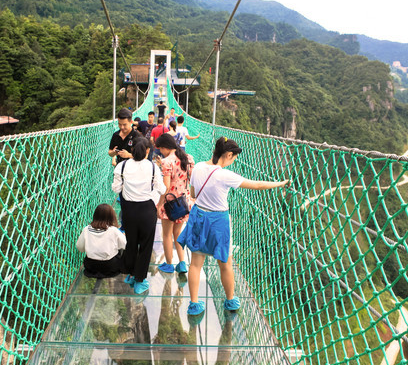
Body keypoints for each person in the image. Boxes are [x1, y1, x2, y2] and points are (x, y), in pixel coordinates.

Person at [178, 137, 291, 316]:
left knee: (196, 264)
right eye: (234, 157)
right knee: (225, 263)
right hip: (218, 221)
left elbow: (192, 193)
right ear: (228, 154)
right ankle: (230, 300)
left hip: (198, 215)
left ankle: (194, 304)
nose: (234, 161)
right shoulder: (225, 175)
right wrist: (280, 183)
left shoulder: (198, 166)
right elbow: (258, 185)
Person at [112, 137, 166, 294]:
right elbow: (162, 189)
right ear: (148, 151)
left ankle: (130, 274)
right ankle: (140, 281)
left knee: (131, 243)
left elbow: (116, 189)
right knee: (145, 246)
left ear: (131, 150)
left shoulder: (121, 167)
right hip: (147, 210)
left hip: (128, 210)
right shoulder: (153, 168)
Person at [154, 134, 194, 274]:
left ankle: (169, 264)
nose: (161, 152)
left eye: (160, 149)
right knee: (177, 233)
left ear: (165, 147)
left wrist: (159, 205)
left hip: (170, 204)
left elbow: (165, 187)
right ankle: (182, 263)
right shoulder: (189, 158)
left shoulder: (167, 161)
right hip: (184, 202)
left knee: (166, 235)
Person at [76, 204, 126, 278]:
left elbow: (80, 248)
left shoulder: (86, 229)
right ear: (111, 216)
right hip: (110, 267)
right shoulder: (113, 230)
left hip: (90, 267)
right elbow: (125, 245)